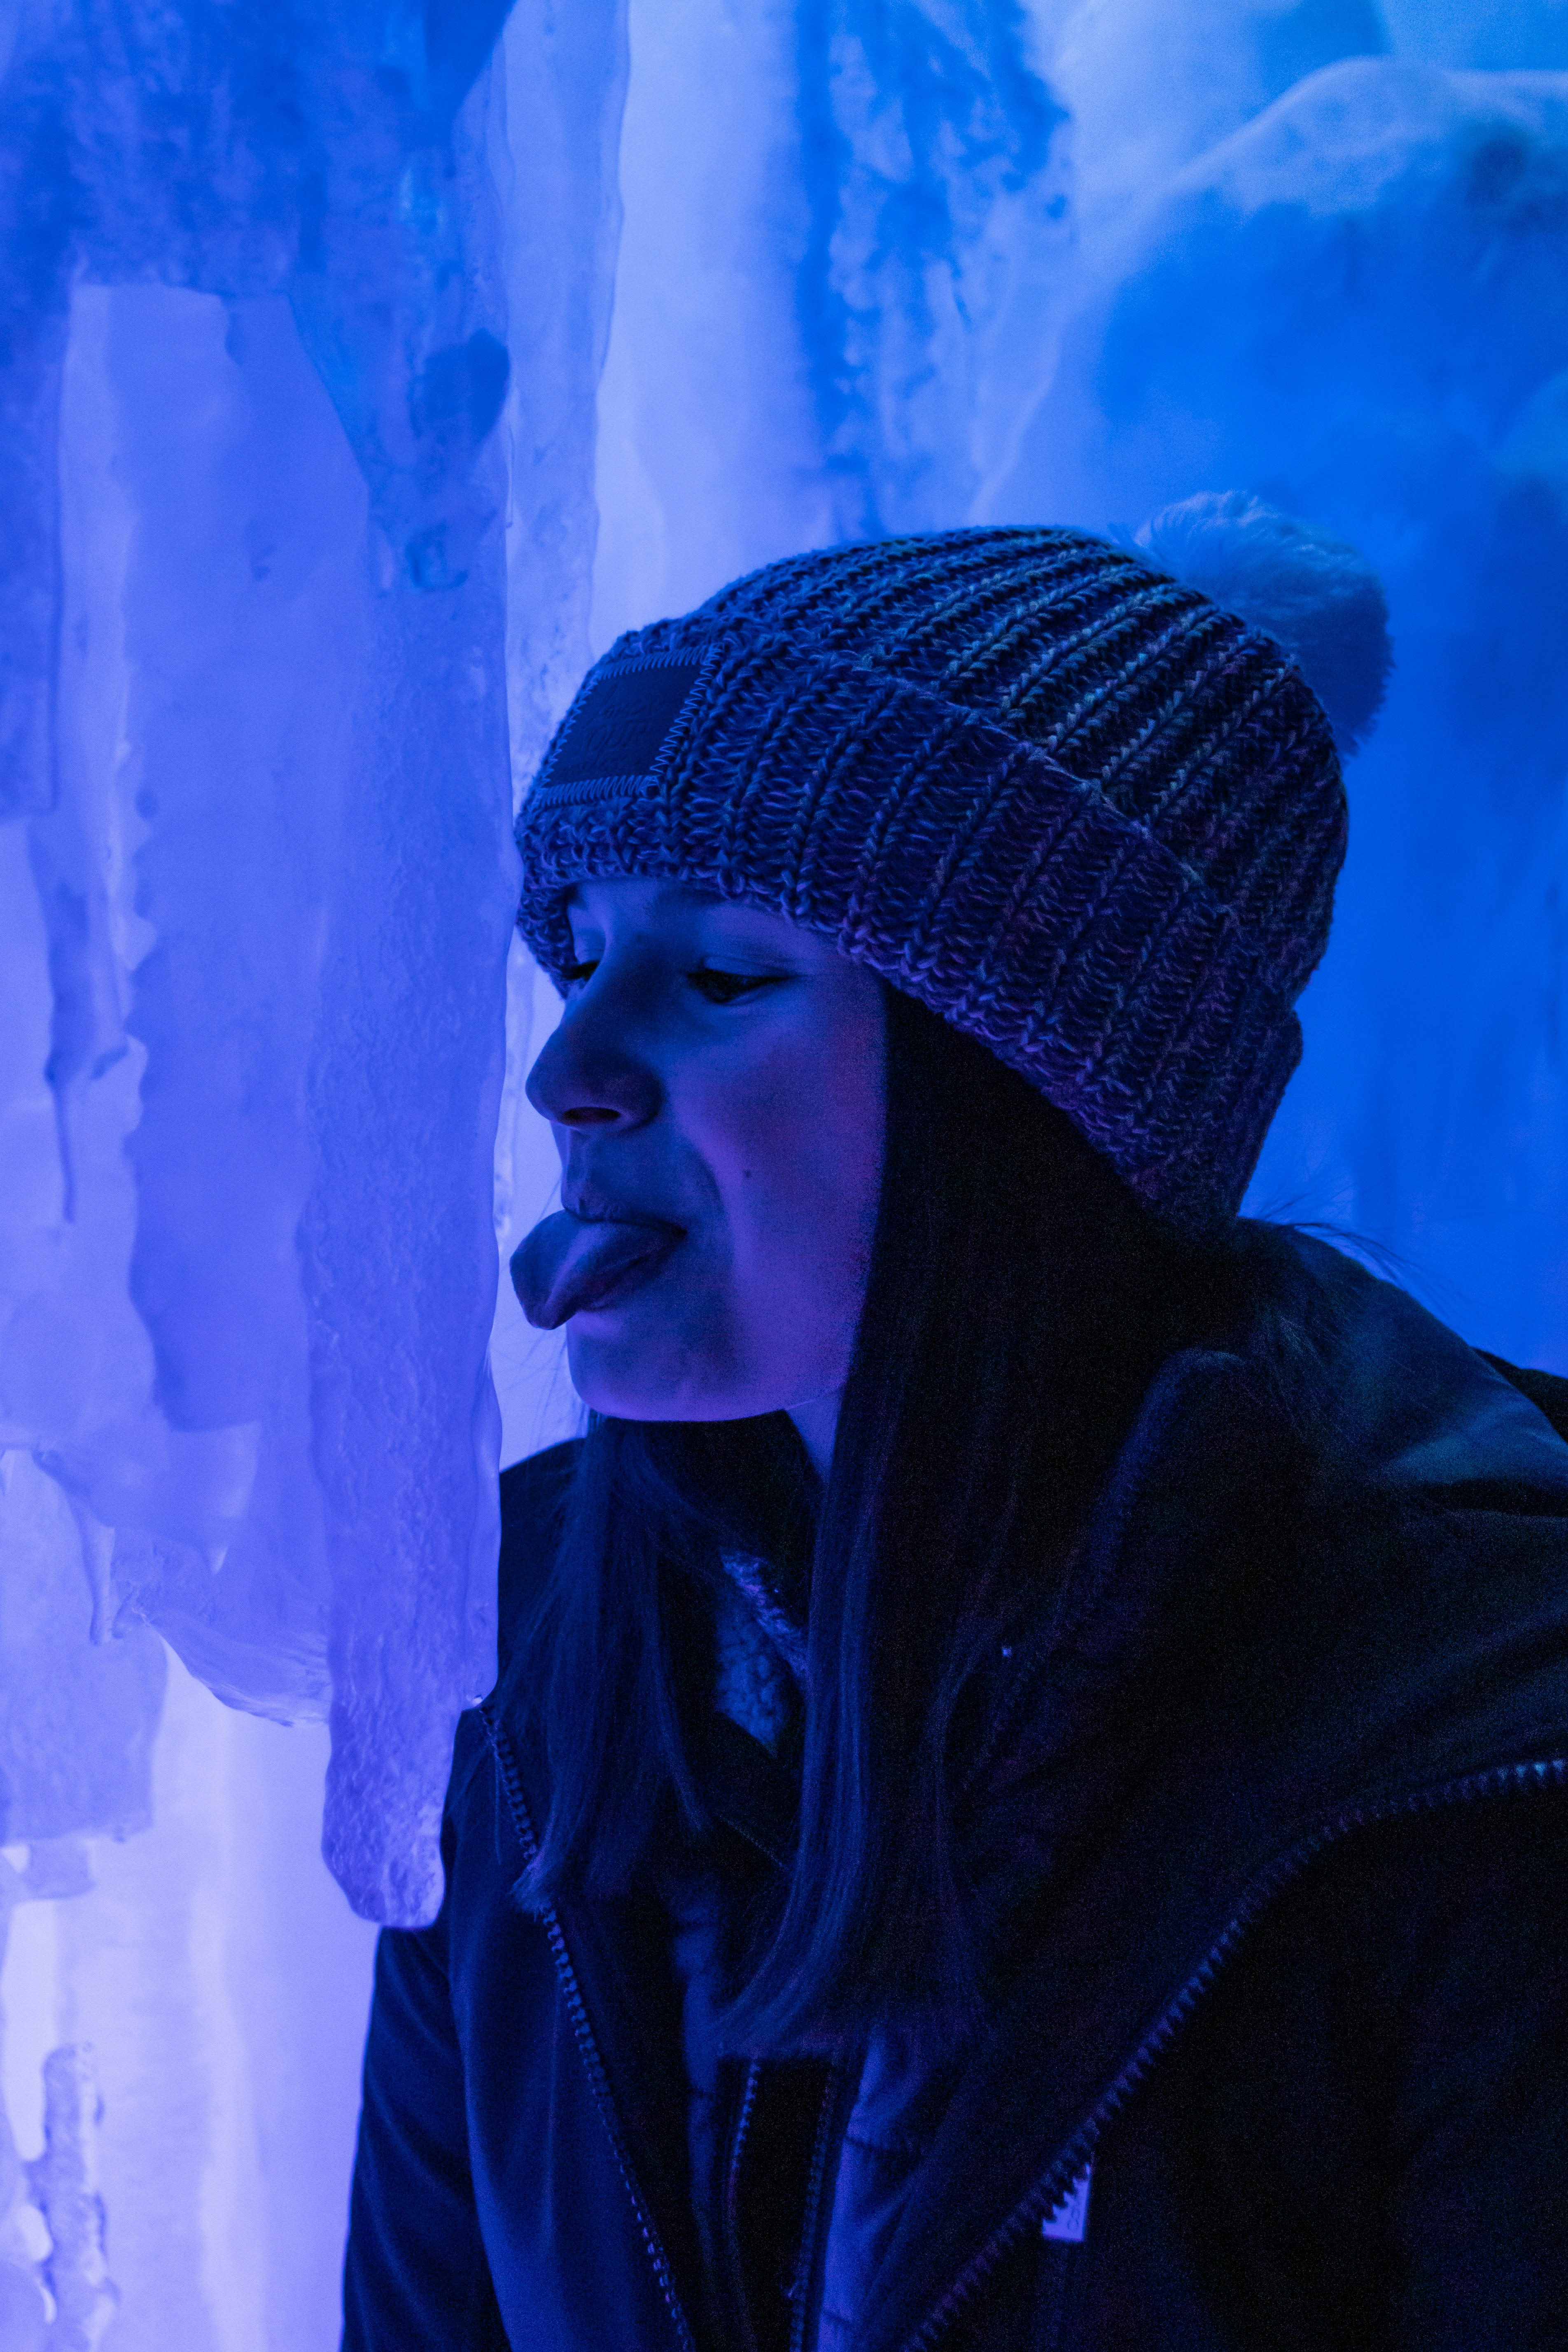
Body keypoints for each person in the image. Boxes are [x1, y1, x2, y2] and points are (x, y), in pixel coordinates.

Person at [341, 512, 1568, 2352]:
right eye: (580, 957)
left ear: (1039, 1087)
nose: (567, 1071)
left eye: (724, 975)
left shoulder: (1481, 1755)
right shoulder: (516, 1650)